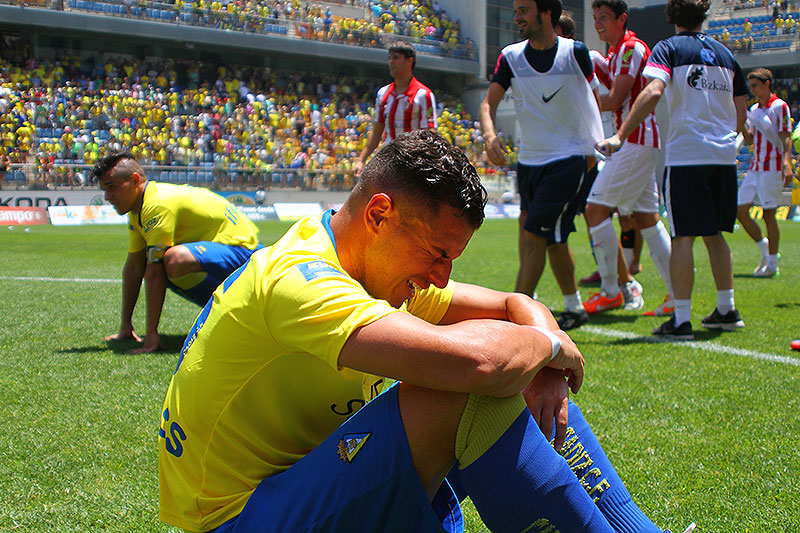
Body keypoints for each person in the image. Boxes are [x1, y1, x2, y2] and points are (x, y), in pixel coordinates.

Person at [158, 130, 674, 533]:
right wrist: (551, 348)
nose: (442, 277)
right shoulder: (300, 279)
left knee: (513, 375)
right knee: (468, 389)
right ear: (380, 215)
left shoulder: (373, 268)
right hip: (239, 520)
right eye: (438, 253)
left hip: (297, 486)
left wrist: (544, 362)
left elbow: (517, 304)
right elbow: (481, 366)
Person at [596, 0, 748, 340]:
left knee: (682, 236)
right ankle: (727, 309)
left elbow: (653, 89)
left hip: (687, 156)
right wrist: (727, 140)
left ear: (671, 17)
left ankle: (681, 320)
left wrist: (620, 135)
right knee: (716, 234)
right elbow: (741, 112)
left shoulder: (668, 48)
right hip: (723, 157)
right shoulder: (725, 54)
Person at [480, 0, 605, 330]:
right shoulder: (510, 57)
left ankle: (515, 318)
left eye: (524, 10)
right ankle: (574, 307)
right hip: (529, 164)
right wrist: (490, 135)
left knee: (534, 234)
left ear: (546, 13)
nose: (517, 17)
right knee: (554, 238)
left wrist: (596, 145)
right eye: (516, 10)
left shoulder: (576, 53)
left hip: (569, 160)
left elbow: (597, 101)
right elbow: (488, 103)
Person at [94, 152, 262, 353]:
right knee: (162, 262)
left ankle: (236, 309)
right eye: (104, 190)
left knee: (172, 260)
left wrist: (151, 336)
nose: (107, 197)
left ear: (135, 180)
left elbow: (154, 273)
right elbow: (133, 268)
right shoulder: (137, 209)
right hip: (222, 253)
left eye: (112, 188)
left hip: (245, 252)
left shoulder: (157, 204)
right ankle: (234, 311)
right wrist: (126, 326)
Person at [583, 0, 675, 317]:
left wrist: (583, 104)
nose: (598, 24)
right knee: (648, 218)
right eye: (595, 18)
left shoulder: (630, 48)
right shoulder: (615, 52)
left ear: (622, 19)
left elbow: (616, 98)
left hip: (634, 139)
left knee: (595, 211)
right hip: (640, 139)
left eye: (604, 18)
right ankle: (675, 295)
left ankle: (611, 291)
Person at [736, 68, 794, 278]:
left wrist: (787, 162)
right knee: (740, 211)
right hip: (755, 167)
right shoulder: (753, 109)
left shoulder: (780, 107)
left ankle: (772, 263)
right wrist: (741, 122)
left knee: (769, 213)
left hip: (773, 165)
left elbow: (785, 136)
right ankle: (765, 249)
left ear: (766, 84)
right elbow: (750, 140)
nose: (752, 90)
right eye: (750, 86)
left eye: (755, 86)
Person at [354, 42, 437, 177]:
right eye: (390, 58)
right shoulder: (383, 93)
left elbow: (430, 134)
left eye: (396, 57)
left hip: (414, 163)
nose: (391, 62)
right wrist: (361, 159)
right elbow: (377, 131)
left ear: (409, 61)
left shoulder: (423, 94)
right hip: (391, 162)